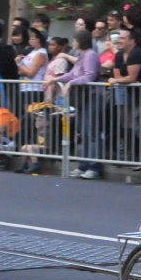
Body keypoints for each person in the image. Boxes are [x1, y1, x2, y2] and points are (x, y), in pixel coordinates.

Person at [52, 30, 103, 178]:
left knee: (92, 132)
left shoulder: (90, 55)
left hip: (92, 95)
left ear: (80, 41)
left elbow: (89, 75)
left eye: (75, 40)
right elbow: (73, 74)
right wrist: (56, 79)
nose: (73, 42)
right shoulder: (81, 56)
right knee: (84, 132)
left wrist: (70, 84)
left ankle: (94, 166)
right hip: (84, 97)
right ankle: (84, 164)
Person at [109, 26, 141, 169]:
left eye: (122, 38)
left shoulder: (136, 54)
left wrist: (118, 80)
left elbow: (131, 77)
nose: (119, 41)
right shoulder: (119, 55)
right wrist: (120, 79)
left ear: (132, 41)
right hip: (133, 96)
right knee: (136, 126)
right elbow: (118, 75)